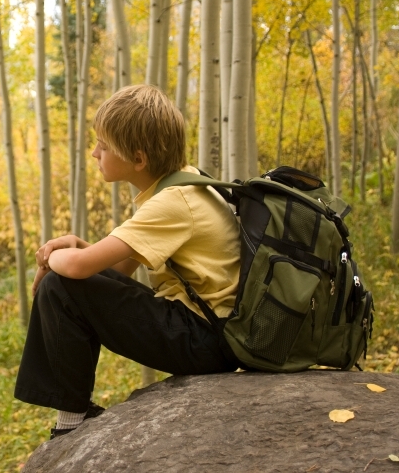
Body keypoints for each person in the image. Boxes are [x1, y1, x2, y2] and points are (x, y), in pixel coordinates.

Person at [14, 84, 242, 440]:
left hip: (205, 340)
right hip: (210, 333)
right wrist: (74, 247)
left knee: (60, 284)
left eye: (104, 146)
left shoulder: (172, 204)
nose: (94, 153)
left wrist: (51, 258)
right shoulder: (185, 183)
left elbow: (77, 270)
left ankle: (71, 421)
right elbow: (114, 271)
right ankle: (73, 411)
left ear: (138, 159)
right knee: (68, 283)